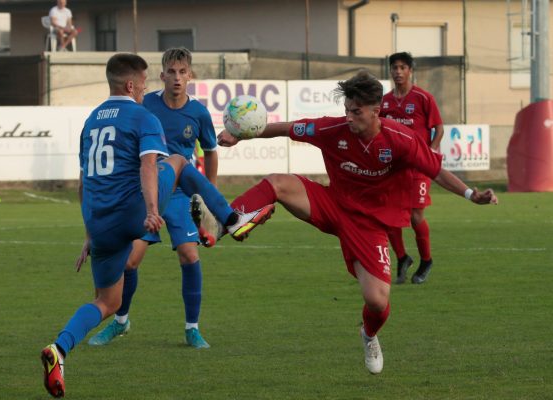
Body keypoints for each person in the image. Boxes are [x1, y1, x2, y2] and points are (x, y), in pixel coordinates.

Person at [200, 71, 497, 375]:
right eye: (347, 110)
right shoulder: (333, 128)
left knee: (377, 301)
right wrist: (242, 135)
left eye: (356, 112)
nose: (349, 117)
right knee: (277, 182)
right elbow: (287, 128)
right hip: (333, 204)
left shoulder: (402, 140)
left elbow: (437, 171)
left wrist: (472, 194)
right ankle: (224, 221)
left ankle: (368, 335)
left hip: (369, 225)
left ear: (376, 111)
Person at [40, 53, 274, 398]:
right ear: (132, 85)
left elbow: (83, 182)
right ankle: (232, 220)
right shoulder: (142, 115)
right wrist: (151, 210)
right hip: (135, 209)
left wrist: (90, 234)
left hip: (99, 222)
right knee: (178, 160)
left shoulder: (91, 121)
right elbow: (149, 165)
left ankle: (58, 350)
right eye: (146, 82)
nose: (147, 87)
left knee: (107, 301)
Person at [87, 48, 218, 349]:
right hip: (146, 192)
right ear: (162, 75)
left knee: (190, 254)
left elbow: (210, 151)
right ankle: (121, 322)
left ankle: (192, 329)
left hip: (180, 194)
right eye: (171, 72)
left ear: (190, 76)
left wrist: (207, 194)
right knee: (130, 262)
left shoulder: (198, 112)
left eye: (182, 72)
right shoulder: (145, 104)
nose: (176, 77)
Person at [380, 52, 444, 284]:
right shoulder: (385, 102)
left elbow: (438, 128)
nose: (398, 71)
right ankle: (402, 257)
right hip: (393, 167)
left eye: (402, 67)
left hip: (418, 166)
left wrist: (432, 150)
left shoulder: (423, 98)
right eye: (394, 67)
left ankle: (426, 260)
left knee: (416, 215)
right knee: (388, 216)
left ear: (410, 70)